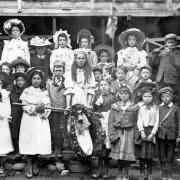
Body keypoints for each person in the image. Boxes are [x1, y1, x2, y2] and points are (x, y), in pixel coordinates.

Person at [19, 68, 51, 178]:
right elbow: (24, 106)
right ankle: (28, 164)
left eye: (38, 79)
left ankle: (36, 162)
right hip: (29, 119)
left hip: (40, 120)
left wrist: (43, 111)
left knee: (38, 140)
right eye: (34, 78)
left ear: (41, 80)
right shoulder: (27, 91)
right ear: (31, 79)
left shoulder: (44, 92)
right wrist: (34, 108)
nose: (36, 80)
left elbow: (48, 106)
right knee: (29, 140)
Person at [108, 85, 138, 180]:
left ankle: (126, 173)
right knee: (119, 156)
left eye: (126, 94)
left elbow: (137, 121)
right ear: (119, 95)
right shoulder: (115, 106)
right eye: (121, 94)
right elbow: (110, 121)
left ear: (129, 95)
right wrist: (112, 134)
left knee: (127, 155)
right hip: (118, 132)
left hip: (129, 133)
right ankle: (119, 173)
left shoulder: (134, 107)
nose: (123, 95)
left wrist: (136, 135)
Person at [91, 79, 116, 179]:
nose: (103, 87)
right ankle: (99, 169)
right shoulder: (97, 97)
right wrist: (96, 105)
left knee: (106, 147)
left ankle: (106, 170)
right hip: (99, 123)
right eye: (101, 85)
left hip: (108, 123)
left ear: (109, 86)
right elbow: (93, 110)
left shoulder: (112, 97)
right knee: (99, 146)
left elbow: (114, 110)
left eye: (105, 85)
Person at [136, 82, 159, 180]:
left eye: (149, 96)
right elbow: (138, 120)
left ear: (152, 97)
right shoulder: (139, 107)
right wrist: (141, 131)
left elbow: (157, 121)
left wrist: (153, 133)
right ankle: (142, 173)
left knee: (149, 155)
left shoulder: (156, 107)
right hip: (142, 130)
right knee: (142, 154)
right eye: (145, 96)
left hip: (151, 130)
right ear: (142, 97)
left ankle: (149, 173)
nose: (147, 98)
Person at [47, 60, 66, 170]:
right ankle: (55, 149)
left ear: (63, 71)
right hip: (53, 110)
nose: (58, 72)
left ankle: (60, 150)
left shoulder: (67, 82)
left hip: (63, 110)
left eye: (60, 70)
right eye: (56, 70)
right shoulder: (49, 83)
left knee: (61, 130)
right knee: (53, 130)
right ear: (53, 71)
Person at [158, 87, 180, 180]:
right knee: (162, 155)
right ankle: (163, 174)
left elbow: (179, 122)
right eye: (163, 96)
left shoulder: (176, 108)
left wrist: (179, 135)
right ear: (161, 98)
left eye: (168, 96)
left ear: (171, 97)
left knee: (170, 155)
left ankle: (169, 174)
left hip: (172, 135)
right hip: (161, 135)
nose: (166, 98)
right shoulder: (158, 107)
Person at [152, 33, 180, 106]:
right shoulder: (162, 52)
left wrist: (171, 53)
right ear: (166, 43)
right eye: (169, 42)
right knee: (161, 94)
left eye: (172, 43)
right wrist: (155, 54)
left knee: (172, 96)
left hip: (172, 78)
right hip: (161, 78)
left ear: (175, 43)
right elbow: (155, 64)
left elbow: (177, 64)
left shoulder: (177, 53)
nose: (170, 44)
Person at [0, 73, 14, 176]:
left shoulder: (4, 94)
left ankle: (1, 165)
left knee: (2, 143)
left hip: (2, 121)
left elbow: (8, 107)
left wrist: (5, 115)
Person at [10, 72, 27, 155]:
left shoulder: (27, 91)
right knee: (14, 131)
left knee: (23, 131)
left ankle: (23, 151)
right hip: (15, 113)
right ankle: (16, 150)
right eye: (18, 80)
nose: (20, 82)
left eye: (22, 80)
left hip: (24, 113)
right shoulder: (12, 91)